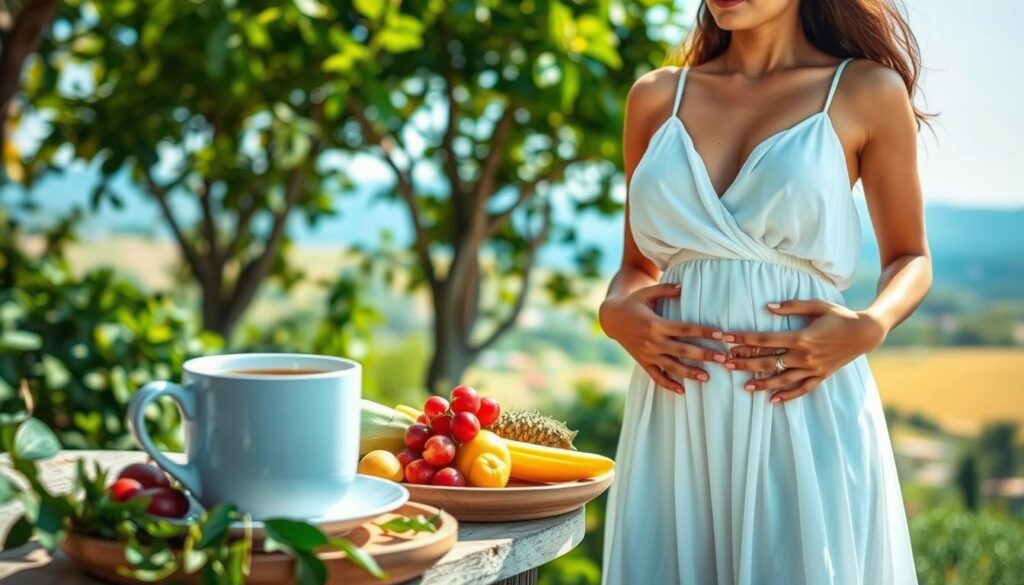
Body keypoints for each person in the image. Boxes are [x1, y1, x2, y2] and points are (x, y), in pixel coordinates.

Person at [599, 0, 931, 583]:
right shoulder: (655, 97)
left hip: (802, 396)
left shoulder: (865, 90)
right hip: (677, 408)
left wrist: (870, 326)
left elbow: (910, 258)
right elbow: (635, 266)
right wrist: (614, 312)